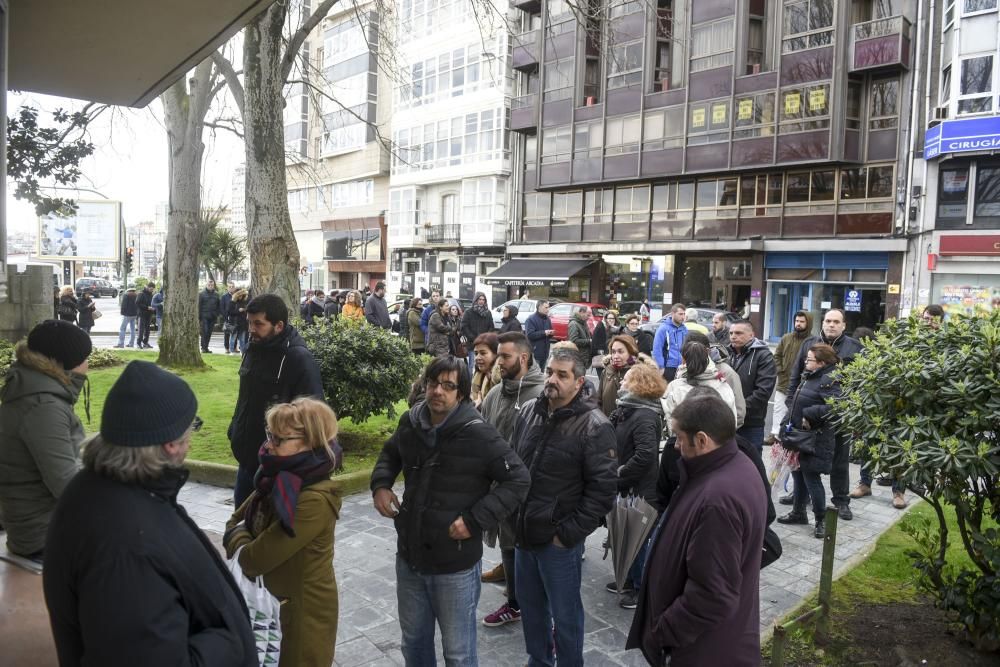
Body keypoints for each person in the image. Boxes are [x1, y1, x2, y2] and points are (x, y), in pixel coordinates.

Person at [43, 361, 258, 666]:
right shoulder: (126, 549)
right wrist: (231, 640)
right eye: (192, 426)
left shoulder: (102, 485)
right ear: (171, 444)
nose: (192, 436)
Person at [370, 356, 530, 667]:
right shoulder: (412, 422)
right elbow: (391, 453)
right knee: (414, 644)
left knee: (458, 654)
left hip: (454, 566)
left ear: (461, 393)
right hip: (411, 557)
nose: (438, 391)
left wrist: (474, 520)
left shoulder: (478, 432)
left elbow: (519, 479)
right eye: (433, 383)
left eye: (448, 386)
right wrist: (381, 484)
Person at [626, 391, 767, 667]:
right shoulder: (736, 466)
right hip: (715, 642)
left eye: (679, 437)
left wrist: (663, 633)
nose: (676, 446)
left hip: (701, 651)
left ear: (702, 440)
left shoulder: (717, 500)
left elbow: (713, 595)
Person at [510, 347, 618, 667]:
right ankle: (539, 660)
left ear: (579, 381)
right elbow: (514, 463)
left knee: (566, 615)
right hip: (524, 532)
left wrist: (567, 534)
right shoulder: (529, 410)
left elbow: (602, 493)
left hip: (558, 541)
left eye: (562, 375)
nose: (552, 380)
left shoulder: (596, 426)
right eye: (549, 372)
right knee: (531, 609)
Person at [224, 397, 343, 667]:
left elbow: (254, 560)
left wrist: (241, 540)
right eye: (269, 435)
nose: (268, 445)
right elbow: (233, 521)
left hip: (300, 615)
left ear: (310, 441)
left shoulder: (314, 499)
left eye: (279, 440)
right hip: (271, 604)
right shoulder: (276, 476)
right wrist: (243, 537)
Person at [0, 320, 91, 561]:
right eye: (84, 357)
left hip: (46, 527)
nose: (88, 364)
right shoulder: (44, 407)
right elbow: (65, 483)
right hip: (43, 537)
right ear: (66, 363)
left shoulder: (36, 392)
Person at [228, 294, 325, 506]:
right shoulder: (252, 349)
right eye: (249, 323)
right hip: (247, 459)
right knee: (240, 527)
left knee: (269, 533)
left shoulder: (299, 358)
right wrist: (234, 428)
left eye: (258, 324)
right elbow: (245, 396)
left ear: (279, 325)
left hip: (280, 466)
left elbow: (314, 415)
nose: (252, 329)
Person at [479, 333, 547, 626]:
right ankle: (515, 603)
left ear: (522, 358)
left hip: (533, 492)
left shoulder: (543, 395)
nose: (498, 362)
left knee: (532, 551)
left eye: (504, 356)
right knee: (508, 545)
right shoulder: (495, 393)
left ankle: (540, 609)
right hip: (499, 491)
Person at [786, 308, 862, 520]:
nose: (831, 325)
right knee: (801, 457)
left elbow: (858, 386)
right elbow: (795, 377)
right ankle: (801, 498)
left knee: (839, 460)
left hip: (836, 416)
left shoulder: (854, 348)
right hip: (806, 417)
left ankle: (841, 501)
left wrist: (851, 414)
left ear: (844, 325)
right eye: (828, 320)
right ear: (823, 322)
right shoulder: (808, 344)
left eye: (836, 322)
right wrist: (792, 404)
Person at [606, 363, 666, 609]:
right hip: (627, 486)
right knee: (626, 534)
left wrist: (618, 474)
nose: (621, 383)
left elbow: (645, 456)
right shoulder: (628, 410)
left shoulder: (645, 415)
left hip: (639, 490)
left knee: (638, 539)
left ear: (639, 384)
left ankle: (639, 587)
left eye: (626, 380)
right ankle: (628, 578)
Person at [777, 343, 841, 539]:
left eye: (809, 359)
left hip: (815, 439)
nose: (805, 362)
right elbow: (796, 400)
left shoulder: (830, 380)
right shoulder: (810, 376)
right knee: (798, 474)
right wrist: (786, 422)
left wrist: (808, 414)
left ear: (821, 363)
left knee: (812, 479)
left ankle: (821, 520)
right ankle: (799, 512)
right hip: (799, 436)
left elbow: (835, 408)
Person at [661, 341, 738, 433]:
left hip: (685, 443)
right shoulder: (722, 385)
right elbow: (732, 420)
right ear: (707, 358)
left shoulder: (675, 387)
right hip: (717, 441)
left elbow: (671, 422)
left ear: (683, 360)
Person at [727, 319, 777, 453]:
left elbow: (763, 392)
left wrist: (738, 410)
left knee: (752, 465)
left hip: (751, 423)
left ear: (751, 335)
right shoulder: (726, 354)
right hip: (728, 421)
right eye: (731, 333)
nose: (733, 336)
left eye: (738, 333)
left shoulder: (764, 356)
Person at [682, 330, 746, 428]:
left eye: (696, 351)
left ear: (707, 350)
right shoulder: (682, 371)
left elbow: (738, 413)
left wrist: (715, 436)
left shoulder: (726, 373)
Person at [769, 311, 813, 447]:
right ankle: (775, 435)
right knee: (778, 408)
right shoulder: (786, 337)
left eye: (802, 321)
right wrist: (780, 370)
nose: (798, 324)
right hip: (783, 381)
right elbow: (777, 356)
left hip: (801, 385)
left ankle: (793, 436)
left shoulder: (812, 341)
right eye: (797, 321)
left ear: (808, 323)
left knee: (796, 411)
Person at [599, 334, 656, 416]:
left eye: (620, 351)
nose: (615, 356)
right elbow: (598, 401)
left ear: (631, 353)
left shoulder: (641, 374)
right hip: (607, 424)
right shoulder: (607, 371)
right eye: (613, 352)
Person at [652, 303, 688, 381]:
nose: (683, 317)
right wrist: (661, 366)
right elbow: (657, 349)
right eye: (680, 314)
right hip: (668, 367)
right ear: (673, 314)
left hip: (682, 367)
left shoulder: (684, 329)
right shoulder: (663, 328)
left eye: (684, 314)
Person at [461, 292, 495, 373]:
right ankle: (470, 384)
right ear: (475, 300)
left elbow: (491, 326)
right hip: (472, 343)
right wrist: (473, 338)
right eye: (479, 299)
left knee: (485, 364)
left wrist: (486, 338)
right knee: (472, 365)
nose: (481, 301)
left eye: (483, 299)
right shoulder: (468, 312)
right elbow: (464, 326)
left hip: (485, 343)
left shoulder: (488, 312)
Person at [471, 332, 501, 408]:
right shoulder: (479, 374)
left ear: (496, 354)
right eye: (476, 353)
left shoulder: (502, 380)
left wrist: (480, 406)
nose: (477, 358)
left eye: (483, 353)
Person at [524, 299, 555, 369]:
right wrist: (544, 333)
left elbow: (549, 333)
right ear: (539, 307)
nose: (548, 309)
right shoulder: (531, 319)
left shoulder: (547, 319)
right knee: (534, 374)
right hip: (535, 353)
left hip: (545, 353)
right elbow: (530, 335)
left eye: (548, 307)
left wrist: (551, 333)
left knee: (541, 374)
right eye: (546, 307)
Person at [199, 279, 221, 353]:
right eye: (209, 285)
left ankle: (206, 347)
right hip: (204, 316)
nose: (210, 286)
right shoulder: (202, 294)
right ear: (206, 285)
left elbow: (219, 305)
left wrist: (217, 314)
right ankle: (203, 347)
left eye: (212, 285)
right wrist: (199, 317)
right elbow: (199, 306)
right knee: (204, 332)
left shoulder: (216, 294)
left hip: (212, 316)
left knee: (209, 333)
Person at [228, 288, 250, 354]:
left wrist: (244, 310)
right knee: (233, 338)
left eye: (241, 295)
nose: (240, 297)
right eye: (239, 295)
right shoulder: (232, 302)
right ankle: (231, 350)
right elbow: (230, 312)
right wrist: (238, 311)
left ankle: (242, 351)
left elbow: (248, 311)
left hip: (242, 323)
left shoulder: (245, 301)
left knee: (242, 339)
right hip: (234, 322)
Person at [136, 282, 156, 349]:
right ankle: (139, 343)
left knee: (147, 330)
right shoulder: (141, 294)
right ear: (147, 287)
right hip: (142, 314)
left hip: (149, 314)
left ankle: (145, 343)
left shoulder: (151, 295)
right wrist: (147, 307)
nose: (152, 290)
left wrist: (153, 308)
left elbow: (152, 303)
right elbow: (138, 303)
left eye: (153, 289)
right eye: (151, 289)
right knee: (141, 330)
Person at [221, 284, 235, 350]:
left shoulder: (237, 296)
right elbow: (222, 308)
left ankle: (234, 347)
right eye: (230, 287)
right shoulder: (224, 297)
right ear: (227, 288)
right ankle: (227, 348)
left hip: (235, 317)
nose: (231, 288)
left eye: (232, 287)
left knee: (235, 333)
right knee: (227, 333)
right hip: (227, 317)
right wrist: (225, 316)